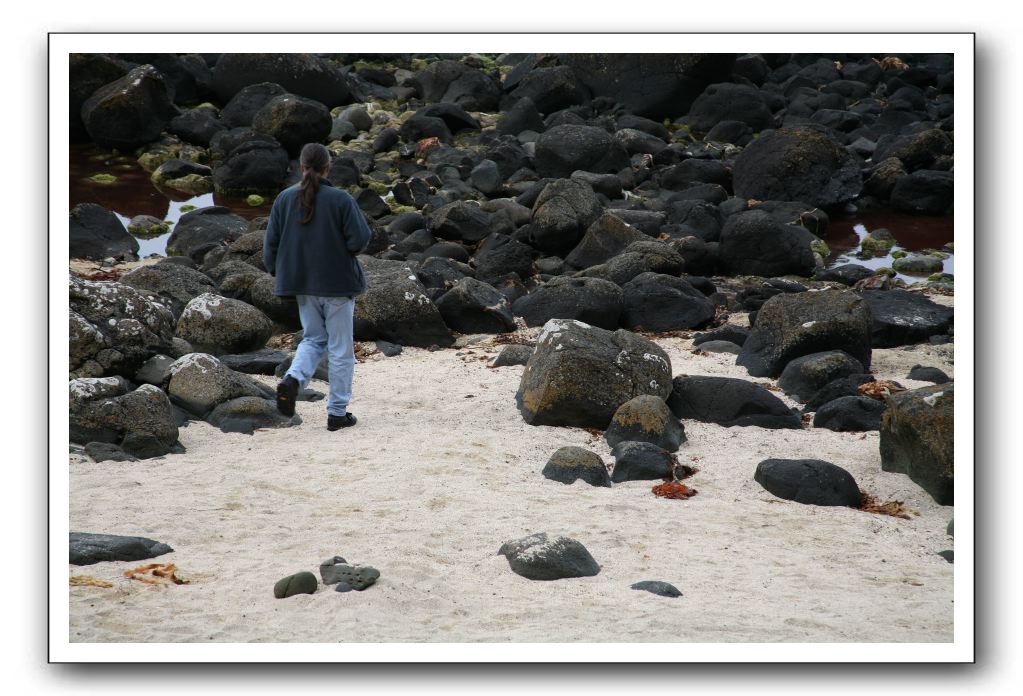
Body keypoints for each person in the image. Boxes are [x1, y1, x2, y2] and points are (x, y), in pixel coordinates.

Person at [263, 142, 372, 431]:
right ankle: (337, 414)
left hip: (301, 284)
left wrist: (281, 272)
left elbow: (270, 246)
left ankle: (294, 379)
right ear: (328, 168)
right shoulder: (341, 199)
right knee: (340, 350)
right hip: (337, 285)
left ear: (301, 167)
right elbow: (359, 240)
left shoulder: (284, 199)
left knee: (312, 339)